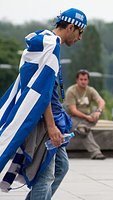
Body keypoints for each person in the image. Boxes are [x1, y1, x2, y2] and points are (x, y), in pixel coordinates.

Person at [0, 8, 87, 199]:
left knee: (61, 167)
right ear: (71, 27)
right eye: (80, 32)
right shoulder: (50, 46)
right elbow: (41, 92)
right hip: (45, 123)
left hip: (52, 119)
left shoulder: (45, 42)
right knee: (45, 177)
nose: (80, 38)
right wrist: (51, 126)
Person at [64, 69, 106, 160]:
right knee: (83, 131)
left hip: (86, 118)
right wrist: (87, 117)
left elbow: (101, 101)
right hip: (72, 118)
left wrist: (98, 111)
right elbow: (73, 110)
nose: (83, 82)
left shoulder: (90, 90)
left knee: (94, 116)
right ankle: (96, 152)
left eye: (85, 79)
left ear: (88, 80)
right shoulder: (71, 91)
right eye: (81, 79)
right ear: (77, 80)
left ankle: (83, 127)